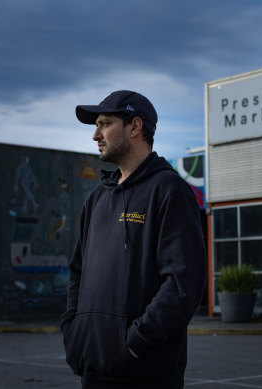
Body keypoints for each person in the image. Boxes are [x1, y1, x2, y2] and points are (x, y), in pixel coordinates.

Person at [60, 90, 207, 388]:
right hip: (93, 368)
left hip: (145, 373)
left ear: (135, 127)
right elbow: (78, 272)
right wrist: (74, 333)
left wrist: (134, 342)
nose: (95, 135)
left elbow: (183, 284)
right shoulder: (98, 198)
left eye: (104, 123)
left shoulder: (170, 191)